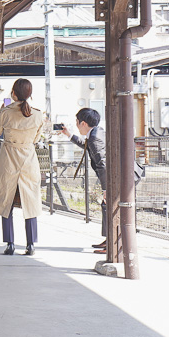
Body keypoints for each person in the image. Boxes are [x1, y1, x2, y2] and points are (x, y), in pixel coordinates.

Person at [0, 79, 48, 256]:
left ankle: (10, 244)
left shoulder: (6, 112)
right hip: (28, 159)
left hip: (8, 158)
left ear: (13, 93)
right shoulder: (37, 114)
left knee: (6, 201)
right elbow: (36, 139)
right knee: (30, 202)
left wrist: (1, 112)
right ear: (29, 94)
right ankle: (31, 245)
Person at [61, 108, 108, 253]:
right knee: (107, 207)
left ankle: (112, 244)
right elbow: (86, 144)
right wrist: (68, 134)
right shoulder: (96, 132)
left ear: (83, 123)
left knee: (110, 207)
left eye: (77, 122)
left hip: (119, 177)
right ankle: (110, 240)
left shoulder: (94, 138)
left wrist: (106, 189)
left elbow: (102, 164)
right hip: (121, 175)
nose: (76, 125)